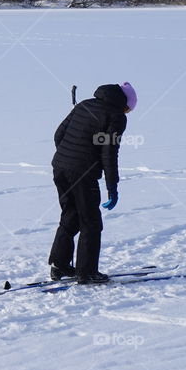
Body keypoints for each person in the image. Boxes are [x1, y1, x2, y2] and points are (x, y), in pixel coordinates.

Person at [48, 82, 137, 284]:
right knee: (91, 221)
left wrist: (67, 156)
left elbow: (58, 134)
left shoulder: (84, 104)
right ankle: (86, 272)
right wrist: (112, 187)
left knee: (71, 214)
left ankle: (59, 265)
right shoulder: (116, 117)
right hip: (82, 172)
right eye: (129, 109)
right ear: (124, 104)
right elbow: (109, 153)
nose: (127, 112)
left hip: (60, 167)